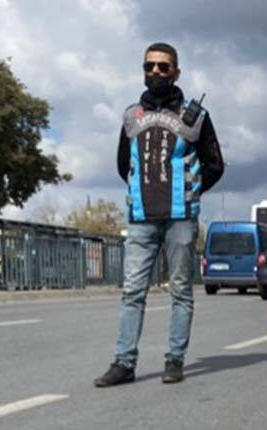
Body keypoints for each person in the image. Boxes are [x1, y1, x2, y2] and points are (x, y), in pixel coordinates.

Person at [96, 42, 225, 388]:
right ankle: (124, 363)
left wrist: (191, 191)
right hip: (140, 218)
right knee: (132, 291)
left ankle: (175, 359)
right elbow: (124, 165)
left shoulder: (196, 116)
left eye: (163, 67)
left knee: (181, 289)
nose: (155, 72)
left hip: (181, 218)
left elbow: (215, 164)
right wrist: (143, 192)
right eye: (149, 66)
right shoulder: (130, 116)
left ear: (176, 72)